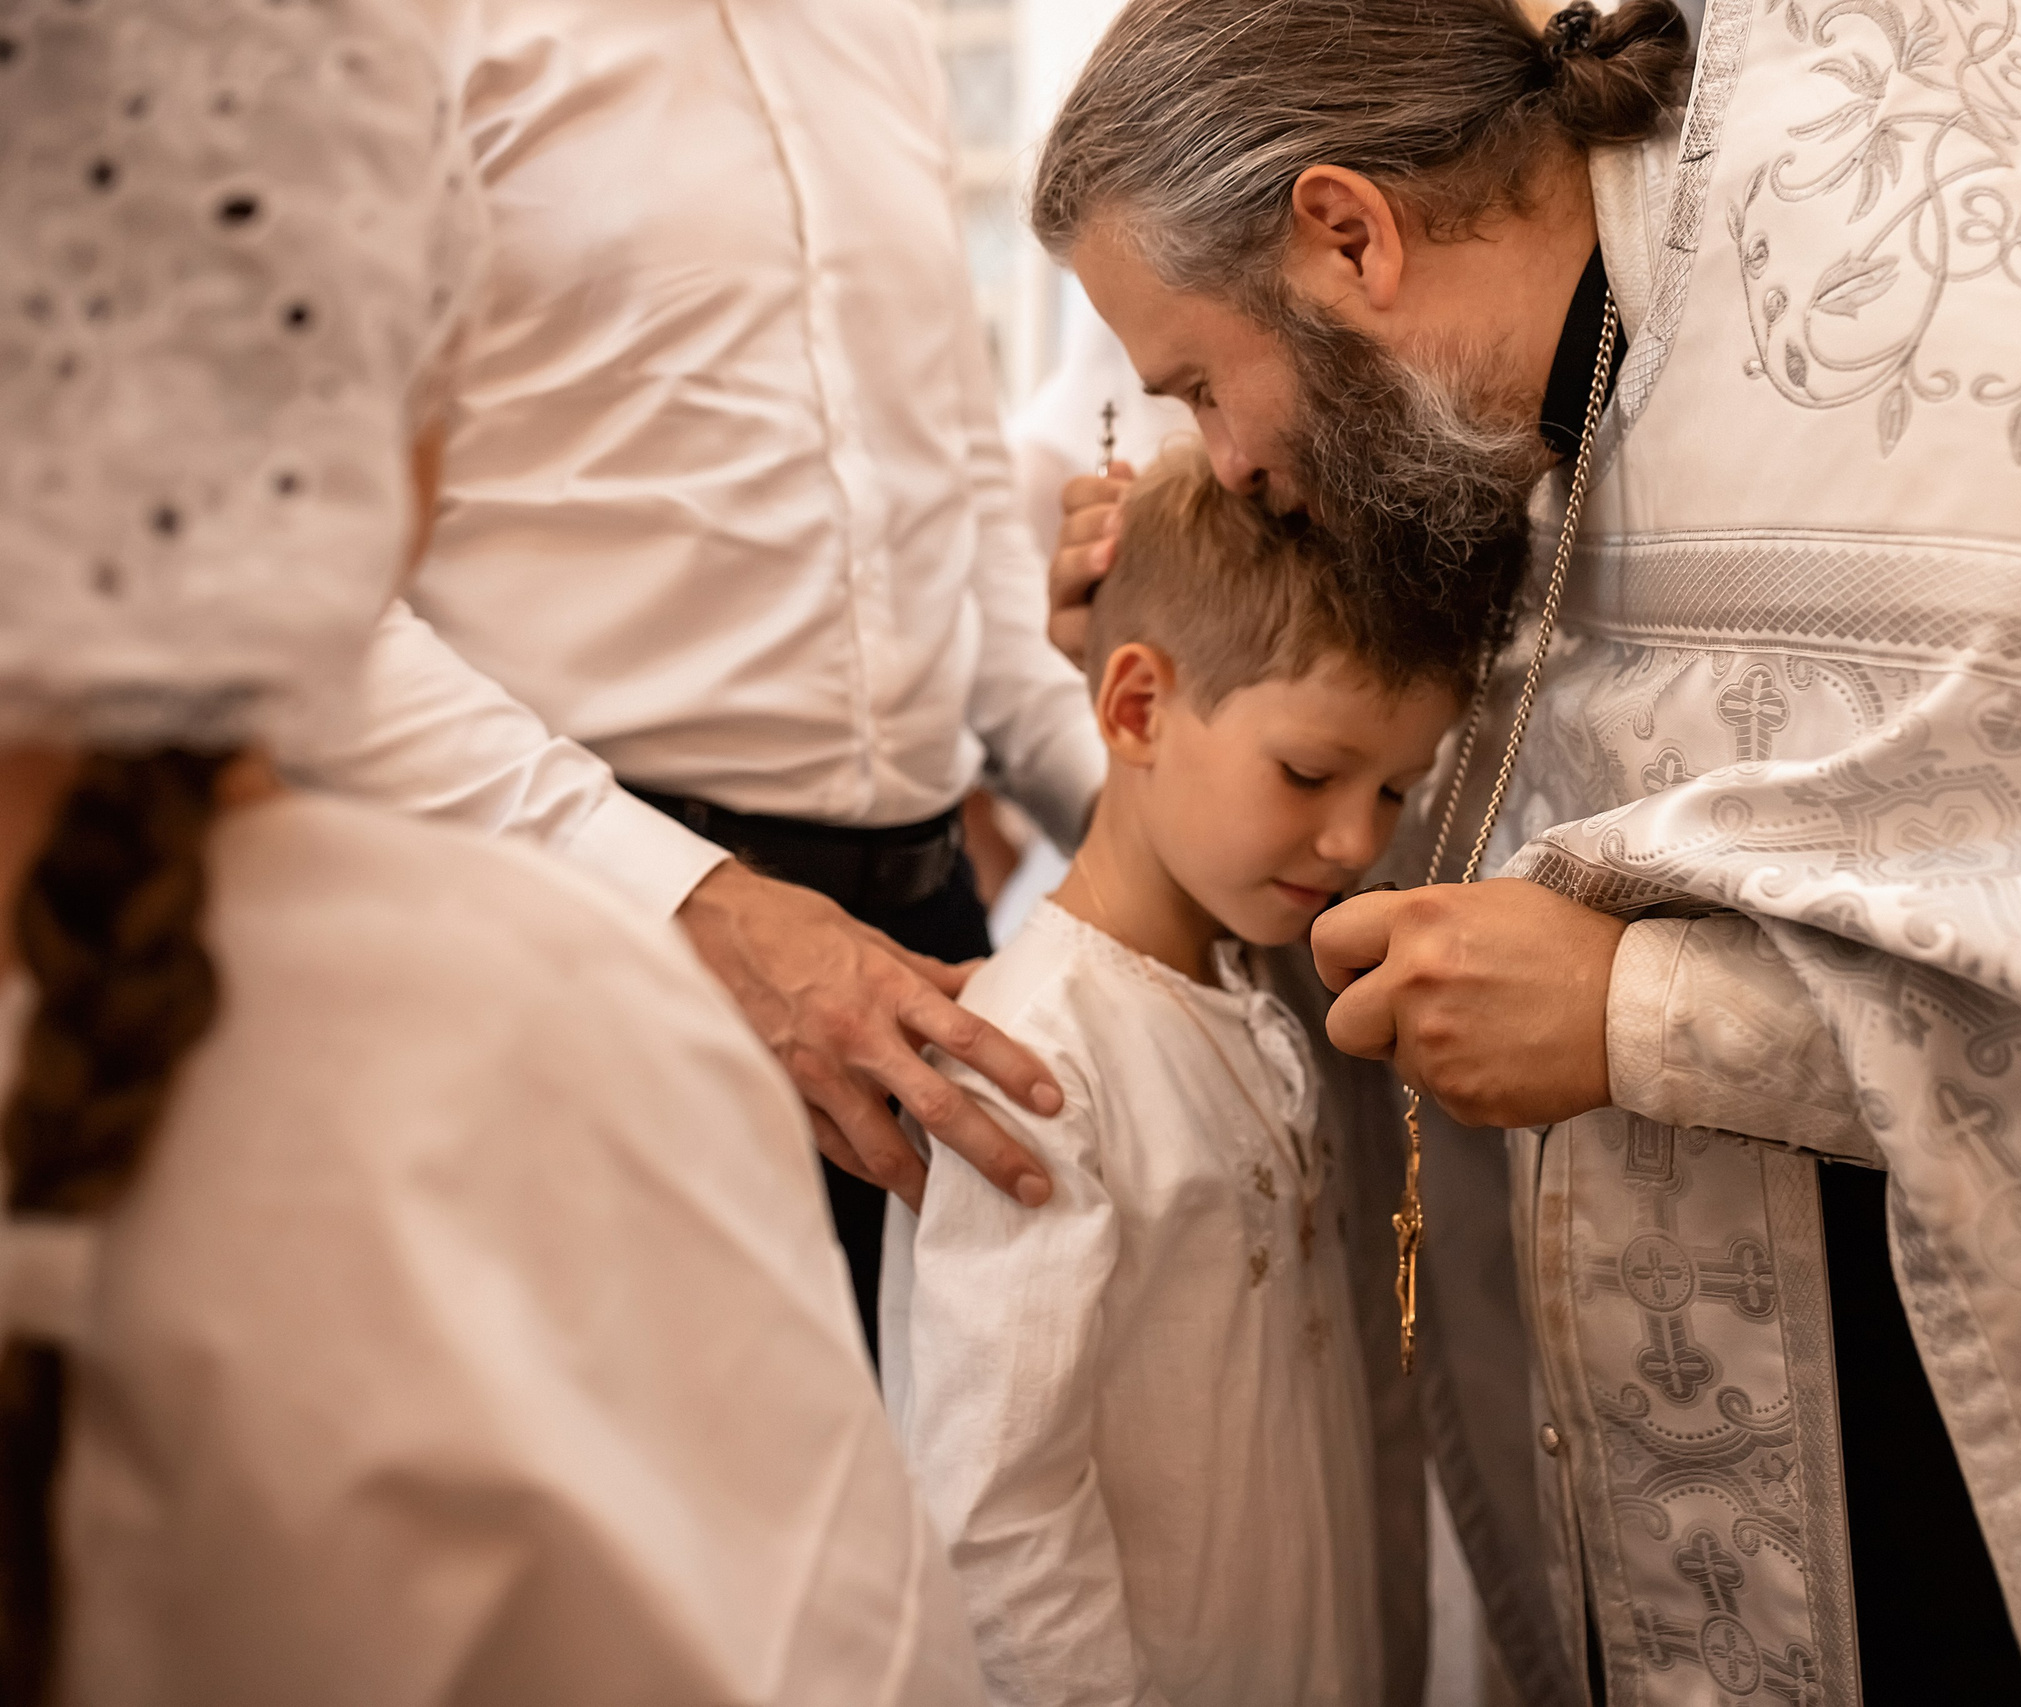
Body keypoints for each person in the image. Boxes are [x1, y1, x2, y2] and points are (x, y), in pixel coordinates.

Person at [1034, 0, 2021, 1701]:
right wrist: (1179, 667)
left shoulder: (1969, 313)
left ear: (1347, 232)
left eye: (1194, 385)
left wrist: (1645, 1013)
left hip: (2001, 1506)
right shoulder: (1527, 354)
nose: (1224, 462)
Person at [0, 7, 983, 1702]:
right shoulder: (528, 1046)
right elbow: (832, 1650)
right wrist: (666, 903)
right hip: (611, 886)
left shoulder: (878, 38)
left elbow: (959, 477)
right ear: (404, 433)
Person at [287, 0, 1107, 1347]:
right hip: (579, 947)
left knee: (952, 1520)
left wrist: (1146, 832)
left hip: (926, 954)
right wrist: (691, 901)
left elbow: (955, 509)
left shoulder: (877, 30)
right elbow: (302, 587)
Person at [881, 444, 1473, 1707]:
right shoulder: (1038, 1060)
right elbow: (998, 1514)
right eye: (1310, 774)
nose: (1357, 839)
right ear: (1136, 706)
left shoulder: (1248, 987)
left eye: (1393, 790)